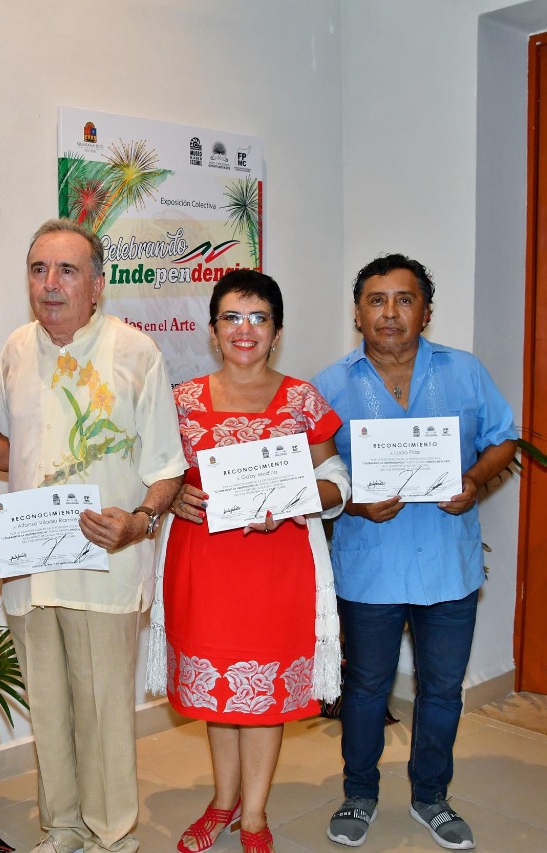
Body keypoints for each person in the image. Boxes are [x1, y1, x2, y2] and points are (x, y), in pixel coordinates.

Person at [0, 219, 186, 853]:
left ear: (98, 284)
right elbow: (9, 446)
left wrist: (141, 520)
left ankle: (112, 835)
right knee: (47, 711)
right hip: (30, 568)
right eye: (38, 269)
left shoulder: (136, 353)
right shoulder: (15, 350)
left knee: (103, 711)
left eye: (67, 271)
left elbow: (167, 466)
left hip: (106, 563)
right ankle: (62, 828)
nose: (50, 284)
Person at [313, 254, 517, 851]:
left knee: (442, 690)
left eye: (404, 300)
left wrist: (474, 479)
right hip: (370, 565)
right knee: (365, 689)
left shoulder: (465, 371)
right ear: (357, 313)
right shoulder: (327, 385)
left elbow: (503, 439)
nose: (390, 313)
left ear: (426, 312)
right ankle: (359, 792)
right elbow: (314, 471)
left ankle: (431, 796)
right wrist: (353, 505)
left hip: (448, 564)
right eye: (376, 300)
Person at [160, 270, 349, 853]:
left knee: (262, 699)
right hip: (204, 566)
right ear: (213, 329)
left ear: (277, 331)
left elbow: (335, 479)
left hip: (277, 567)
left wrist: (294, 497)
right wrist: (173, 494)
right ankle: (222, 801)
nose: (245, 330)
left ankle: (254, 816)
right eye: (232, 318)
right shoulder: (181, 401)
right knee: (219, 693)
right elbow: (159, 477)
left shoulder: (302, 399)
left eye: (259, 318)